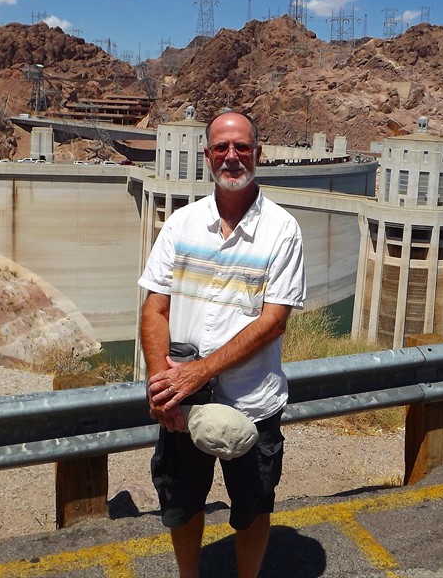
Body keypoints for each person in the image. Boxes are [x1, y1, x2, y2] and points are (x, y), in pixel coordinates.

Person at [138, 110, 306, 577]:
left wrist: (199, 371)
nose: (232, 157)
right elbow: (154, 309)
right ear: (208, 156)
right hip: (182, 399)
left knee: (251, 508)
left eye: (242, 147)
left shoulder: (281, 230)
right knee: (182, 504)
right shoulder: (181, 225)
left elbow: (274, 322)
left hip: (253, 403)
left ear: (258, 154)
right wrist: (161, 381)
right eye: (221, 148)